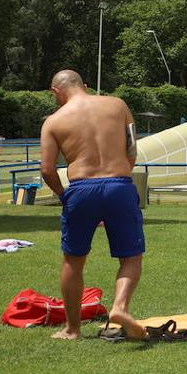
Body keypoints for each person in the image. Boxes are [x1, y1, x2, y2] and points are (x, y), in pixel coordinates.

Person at [38, 70, 146, 341]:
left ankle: (72, 329)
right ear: (84, 86)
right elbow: (132, 147)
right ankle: (120, 307)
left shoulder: (53, 122)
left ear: (56, 93)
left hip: (81, 189)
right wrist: (121, 174)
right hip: (119, 185)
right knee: (131, 256)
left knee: (73, 260)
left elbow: (47, 169)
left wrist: (64, 196)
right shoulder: (117, 105)